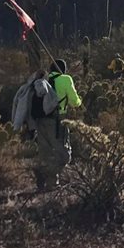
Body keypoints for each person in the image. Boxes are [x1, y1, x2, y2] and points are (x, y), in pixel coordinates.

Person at [33, 58, 83, 189]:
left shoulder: (42, 80)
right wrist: (79, 101)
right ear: (63, 69)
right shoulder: (65, 79)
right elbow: (74, 102)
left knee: (47, 153)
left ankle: (51, 184)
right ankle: (44, 173)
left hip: (40, 120)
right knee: (64, 155)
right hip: (57, 120)